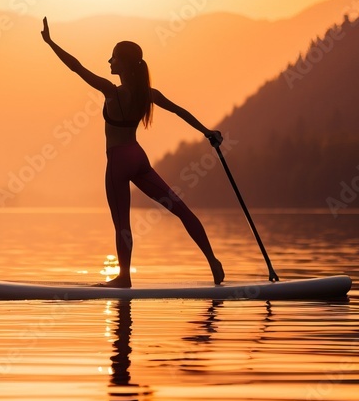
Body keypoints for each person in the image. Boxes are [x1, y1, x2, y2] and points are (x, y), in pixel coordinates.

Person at [40, 17, 224, 287]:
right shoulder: (147, 94)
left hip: (118, 160)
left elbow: (76, 67)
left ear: (123, 64)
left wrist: (50, 42)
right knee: (180, 209)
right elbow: (180, 111)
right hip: (138, 158)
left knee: (122, 224)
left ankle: (124, 277)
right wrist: (208, 131)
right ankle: (213, 262)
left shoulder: (111, 92)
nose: (109, 62)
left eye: (113, 58)